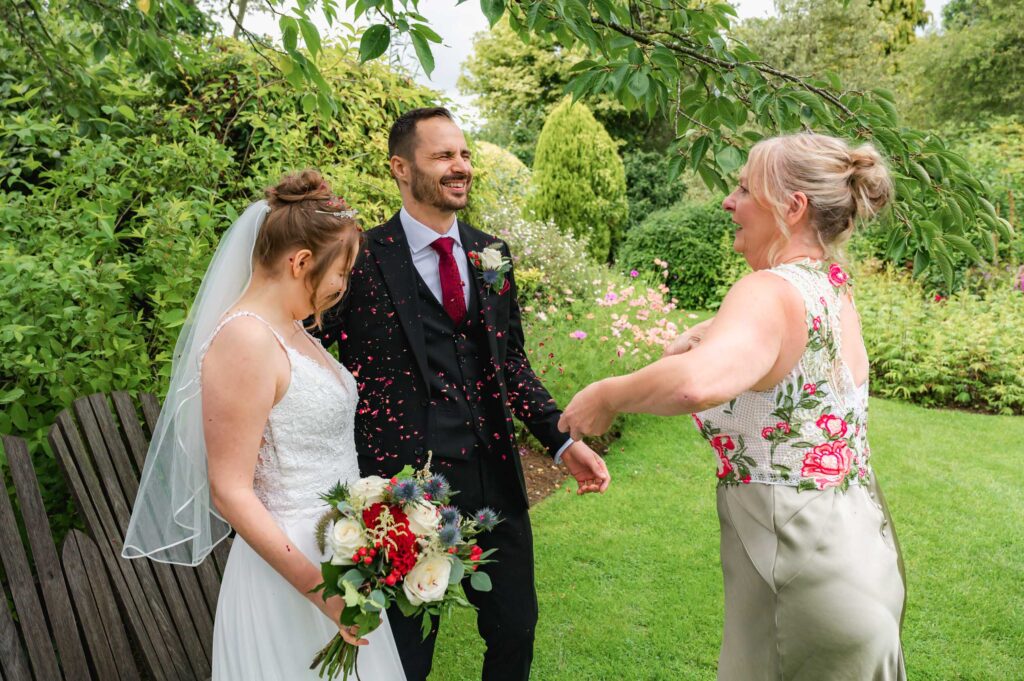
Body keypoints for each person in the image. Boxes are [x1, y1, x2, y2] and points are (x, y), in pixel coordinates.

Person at [558, 133, 906, 680]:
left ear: (792, 208)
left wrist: (607, 395)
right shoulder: (830, 285)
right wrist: (706, 335)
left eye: (744, 187)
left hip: (799, 576)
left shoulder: (768, 290)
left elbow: (697, 384)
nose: (728, 201)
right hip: (858, 562)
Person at [314, 107, 611, 681]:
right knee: (405, 655)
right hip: (400, 496)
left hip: (493, 477)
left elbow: (512, 364)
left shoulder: (491, 253)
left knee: (515, 631)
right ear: (401, 168)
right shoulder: (360, 258)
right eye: (443, 156)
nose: (461, 167)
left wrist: (560, 441)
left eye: (465, 154)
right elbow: (316, 358)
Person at [122, 170, 406, 680]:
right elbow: (230, 491)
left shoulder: (294, 330)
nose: (343, 286)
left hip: (343, 555)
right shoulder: (246, 342)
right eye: (341, 271)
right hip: (292, 574)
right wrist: (324, 592)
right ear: (300, 262)